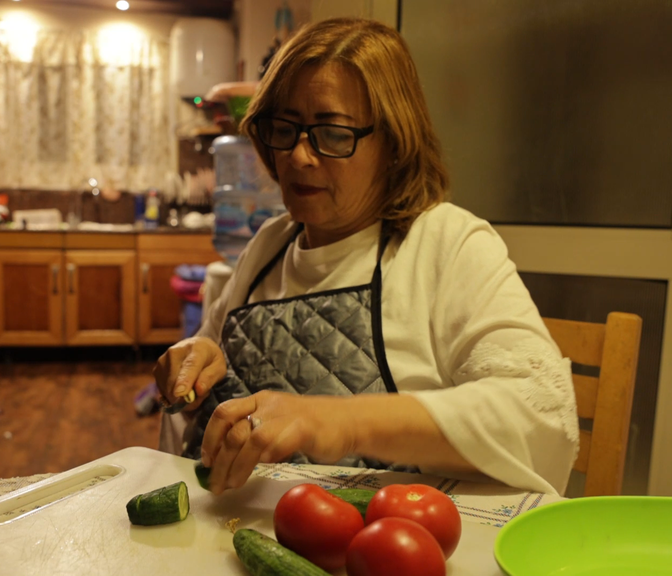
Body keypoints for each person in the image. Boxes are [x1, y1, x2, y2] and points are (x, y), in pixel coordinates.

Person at [155, 17, 578, 497]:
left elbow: (543, 413)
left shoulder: (445, 243)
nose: (298, 156)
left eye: (333, 133)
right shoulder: (270, 244)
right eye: (285, 128)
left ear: (394, 143)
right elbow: (210, 357)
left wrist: (341, 421)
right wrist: (197, 364)